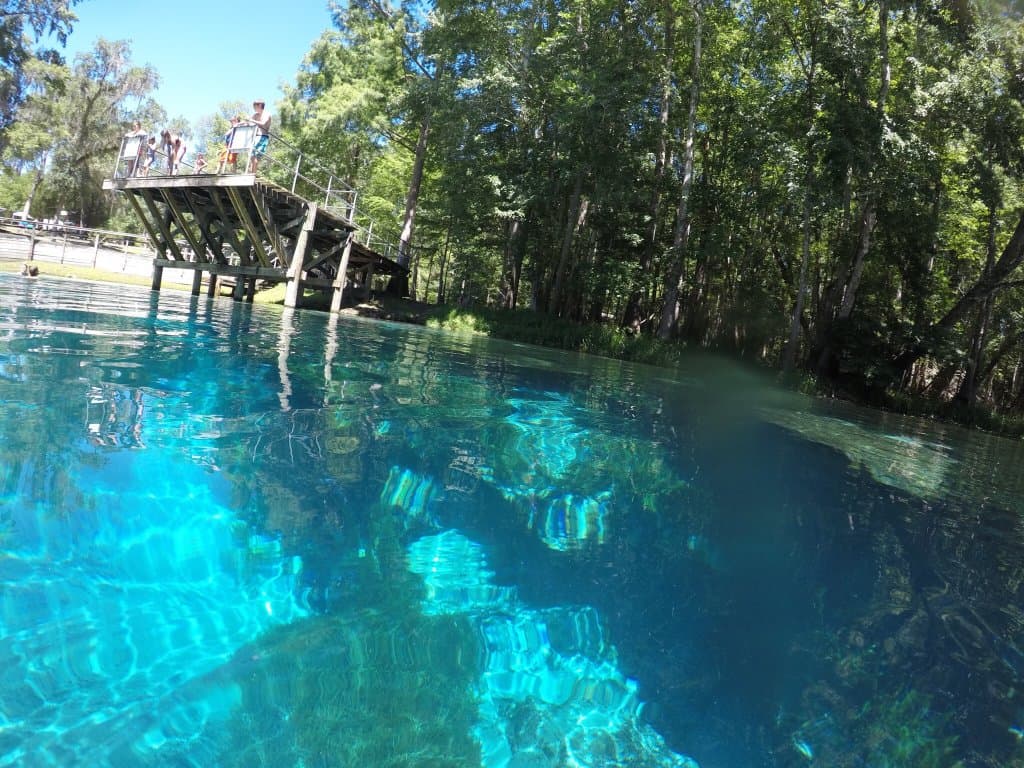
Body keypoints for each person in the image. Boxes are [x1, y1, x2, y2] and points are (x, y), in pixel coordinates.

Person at [247, 100, 271, 173]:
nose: (253, 108)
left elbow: (263, 123)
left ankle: (253, 175)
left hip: (263, 137)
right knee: (251, 156)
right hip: (255, 137)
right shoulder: (255, 115)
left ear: (260, 105)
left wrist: (251, 120)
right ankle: (251, 173)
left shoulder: (267, 114)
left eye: (255, 106)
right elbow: (249, 122)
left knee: (256, 156)